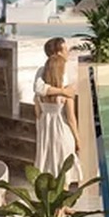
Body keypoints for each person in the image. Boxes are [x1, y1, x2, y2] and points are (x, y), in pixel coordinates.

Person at [33, 36, 82, 184]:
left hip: (46, 123)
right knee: (61, 163)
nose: (68, 52)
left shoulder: (46, 72)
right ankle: (60, 205)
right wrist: (64, 92)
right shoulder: (53, 72)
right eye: (65, 49)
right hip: (59, 124)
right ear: (57, 52)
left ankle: (58, 205)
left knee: (50, 162)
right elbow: (39, 88)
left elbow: (37, 100)